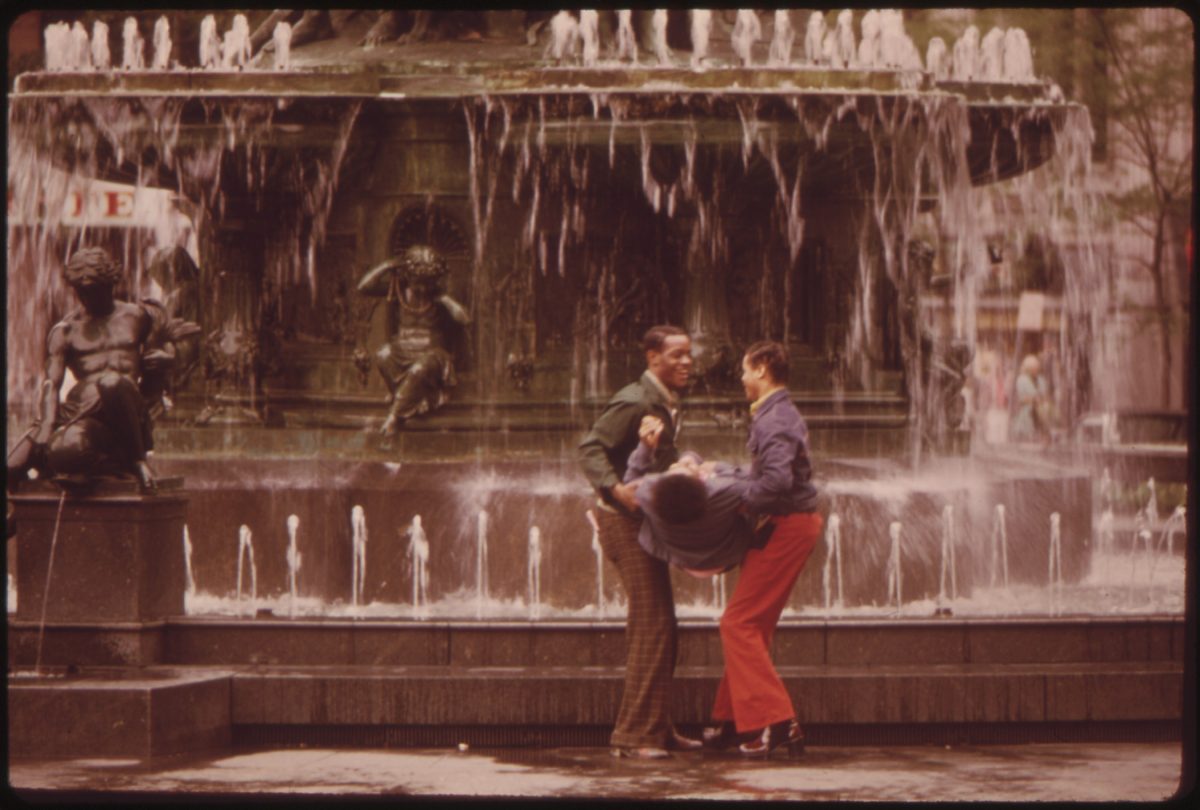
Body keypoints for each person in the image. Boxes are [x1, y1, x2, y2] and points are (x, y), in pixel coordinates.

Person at [577, 324, 702, 759]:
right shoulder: (635, 401)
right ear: (653, 358)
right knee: (652, 624)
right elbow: (590, 447)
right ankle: (635, 735)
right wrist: (614, 488)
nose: (686, 362)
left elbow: (653, 456)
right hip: (623, 524)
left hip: (641, 523)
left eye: (689, 354)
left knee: (661, 624)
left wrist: (683, 461)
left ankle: (657, 728)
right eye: (676, 356)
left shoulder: (660, 401)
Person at [702, 340, 822, 758]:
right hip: (790, 524)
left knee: (738, 624)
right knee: (752, 624)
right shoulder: (776, 413)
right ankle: (733, 722)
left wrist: (731, 500)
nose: (740, 377)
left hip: (786, 526)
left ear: (763, 370)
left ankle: (777, 723)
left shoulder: (774, 420)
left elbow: (774, 485)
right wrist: (719, 471)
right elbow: (767, 474)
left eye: (745, 369)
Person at [7, 247, 191, 493]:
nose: (88, 298)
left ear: (110, 285)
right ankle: (19, 519)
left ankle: (137, 460)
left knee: (111, 383)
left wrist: (168, 359)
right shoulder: (65, 331)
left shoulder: (138, 316)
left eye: (95, 291)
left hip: (125, 411)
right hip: (80, 413)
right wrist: (46, 426)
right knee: (11, 466)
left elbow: (175, 349)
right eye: (82, 292)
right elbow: (51, 384)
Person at [355, 245, 470, 435]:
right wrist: (386, 266)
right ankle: (413, 398)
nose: (423, 289)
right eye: (418, 283)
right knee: (383, 355)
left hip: (432, 352)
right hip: (402, 348)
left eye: (428, 283)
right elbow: (363, 288)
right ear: (407, 276)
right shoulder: (398, 288)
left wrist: (445, 300)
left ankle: (395, 416)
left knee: (418, 370)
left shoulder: (438, 295)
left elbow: (464, 318)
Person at [623, 417, 755, 577]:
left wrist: (646, 447)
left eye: (677, 466)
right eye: (684, 466)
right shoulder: (724, 489)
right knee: (757, 503)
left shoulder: (650, 492)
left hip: (678, 559)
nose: (680, 463)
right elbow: (760, 478)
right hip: (726, 557)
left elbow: (629, 487)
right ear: (703, 479)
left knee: (639, 511)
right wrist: (718, 467)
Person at [1010, 353, 1048, 442]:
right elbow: (1021, 398)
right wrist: (1033, 399)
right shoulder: (1022, 380)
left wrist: (1041, 400)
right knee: (1027, 432)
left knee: (1046, 417)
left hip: (1041, 409)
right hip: (1027, 411)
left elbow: (1045, 395)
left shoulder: (1040, 379)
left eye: (1037, 368)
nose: (1036, 370)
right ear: (1029, 368)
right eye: (1034, 368)